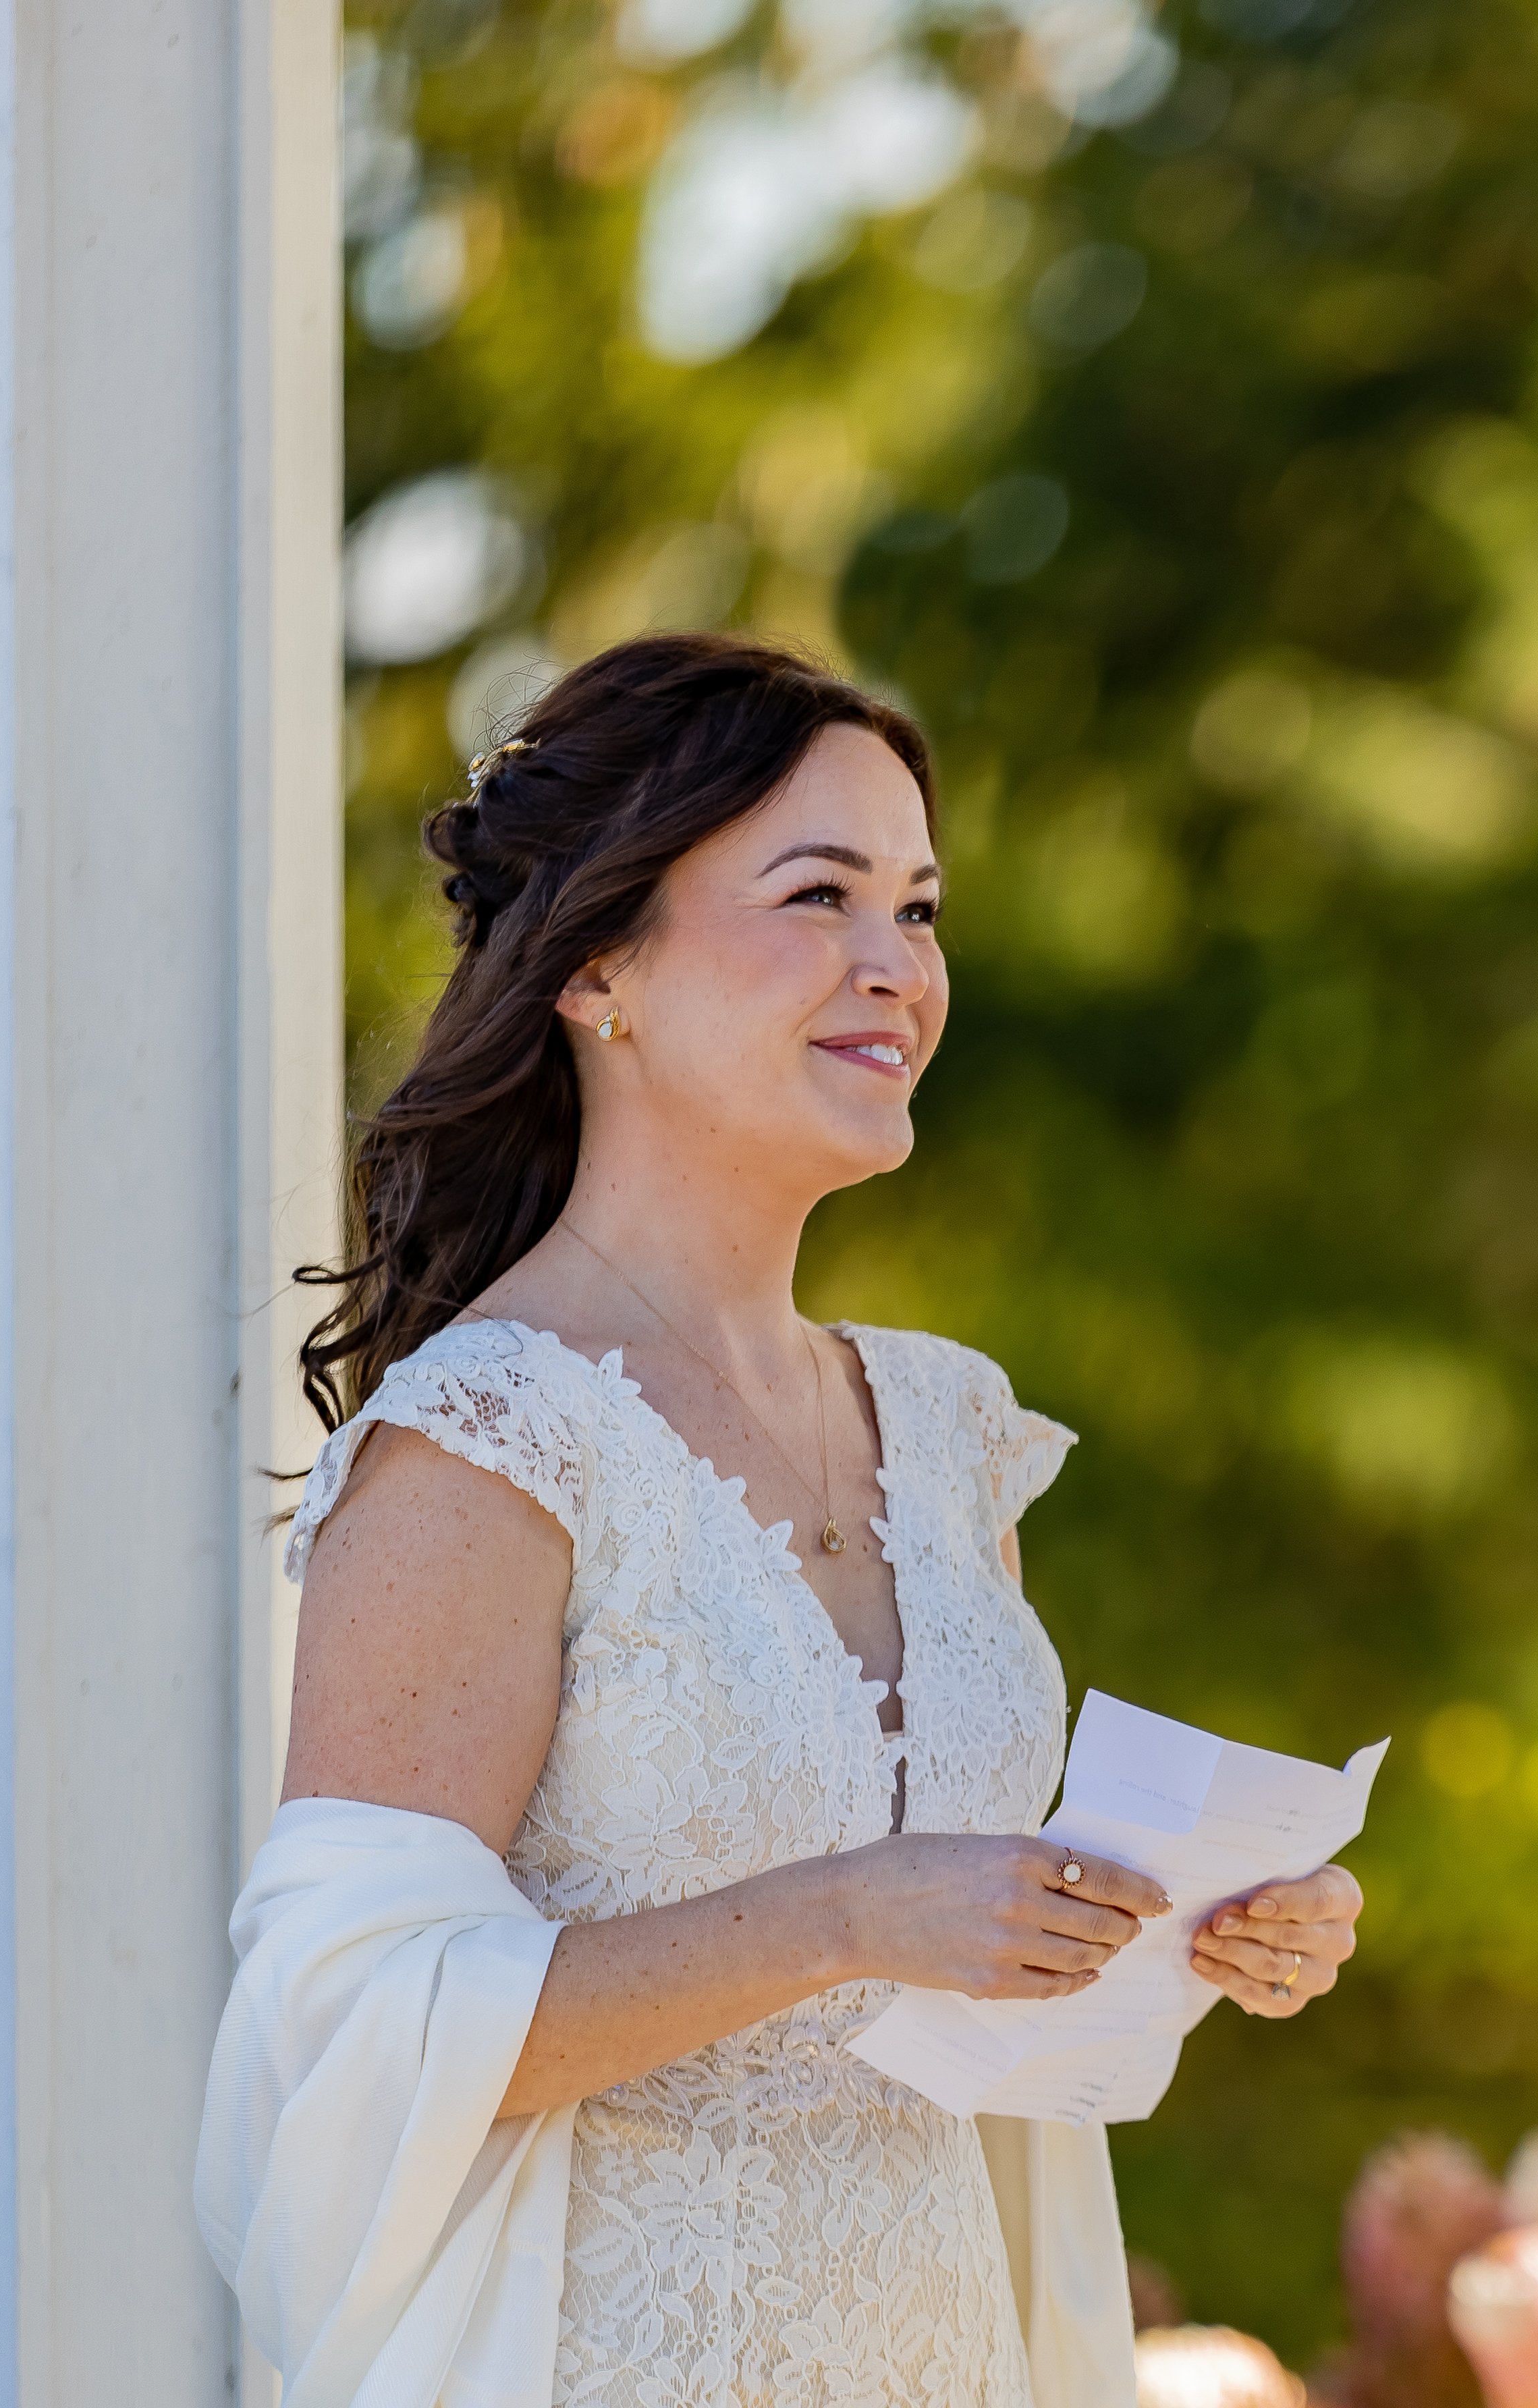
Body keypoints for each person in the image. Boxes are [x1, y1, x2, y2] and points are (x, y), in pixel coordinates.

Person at [196, 632, 1365, 2407]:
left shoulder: (950, 1429)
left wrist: (1180, 1925)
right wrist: (843, 1916)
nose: (894, 967)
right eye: (819, 896)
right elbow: (352, 2033)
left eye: (920, 909)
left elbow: (953, 1962)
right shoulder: (488, 1441)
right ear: (600, 966)